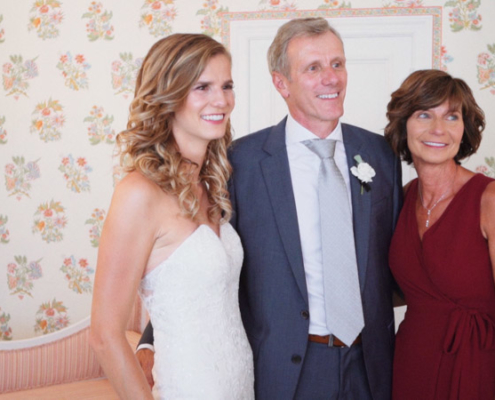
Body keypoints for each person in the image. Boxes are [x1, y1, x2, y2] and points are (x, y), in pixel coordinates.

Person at [138, 18, 402, 399]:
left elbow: (398, 260)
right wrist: (151, 339)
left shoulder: (381, 154)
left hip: (372, 367)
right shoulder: (239, 163)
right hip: (286, 370)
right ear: (281, 83)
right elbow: (203, 253)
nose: (332, 78)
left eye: (337, 64)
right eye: (313, 68)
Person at [90, 33, 254, 400]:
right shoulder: (139, 193)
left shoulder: (214, 185)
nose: (221, 100)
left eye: (227, 86)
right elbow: (105, 333)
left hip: (241, 386)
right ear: (169, 96)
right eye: (203, 87)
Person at [384, 69, 495, 400]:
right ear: (404, 125)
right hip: (411, 363)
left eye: (451, 116)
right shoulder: (401, 199)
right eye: (424, 114)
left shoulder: (489, 200)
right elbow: (401, 290)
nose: (438, 129)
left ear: (464, 129)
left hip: (479, 366)